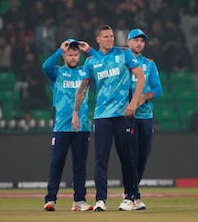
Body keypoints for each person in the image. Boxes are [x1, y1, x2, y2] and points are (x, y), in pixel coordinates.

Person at [72, 25, 145, 211]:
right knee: (100, 158)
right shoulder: (91, 61)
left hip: (123, 115)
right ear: (98, 39)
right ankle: (100, 200)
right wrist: (75, 112)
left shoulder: (124, 53)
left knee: (126, 157)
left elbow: (140, 77)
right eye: (105, 36)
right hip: (102, 116)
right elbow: (83, 89)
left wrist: (133, 103)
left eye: (111, 36)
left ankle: (130, 197)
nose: (110, 39)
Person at [42, 38, 95, 212]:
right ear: (64, 56)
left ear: (79, 55)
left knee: (79, 164)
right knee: (57, 162)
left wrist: (90, 51)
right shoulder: (57, 72)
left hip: (82, 126)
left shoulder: (85, 71)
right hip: (61, 126)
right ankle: (51, 199)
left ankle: (79, 200)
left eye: (75, 54)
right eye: (69, 54)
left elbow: (100, 65)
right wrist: (58, 51)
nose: (72, 57)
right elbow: (45, 67)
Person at [125, 28, 163, 210]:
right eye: (136, 40)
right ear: (128, 42)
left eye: (142, 41)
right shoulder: (122, 62)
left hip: (146, 116)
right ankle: (131, 195)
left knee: (142, 156)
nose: (139, 43)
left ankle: (133, 192)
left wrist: (144, 97)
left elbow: (159, 89)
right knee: (131, 157)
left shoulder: (149, 64)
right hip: (128, 116)